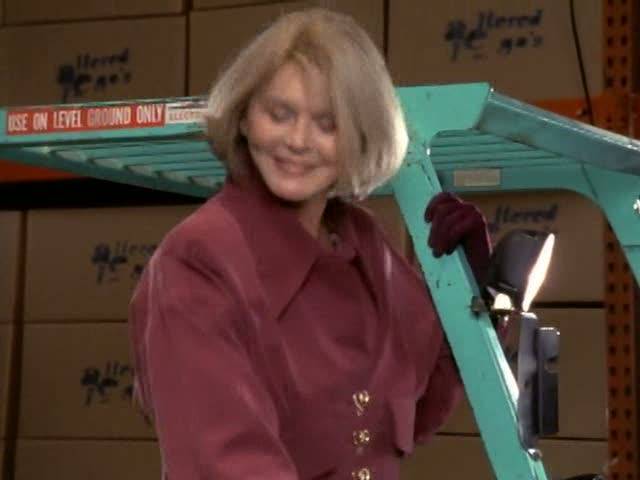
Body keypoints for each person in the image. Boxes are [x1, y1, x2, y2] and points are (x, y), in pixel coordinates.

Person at [128, 7, 491, 480]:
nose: (298, 141)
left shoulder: (363, 243)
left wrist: (470, 295)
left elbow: (414, 410)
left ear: (360, 137)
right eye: (279, 114)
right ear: (243, 117)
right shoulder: (198, 262)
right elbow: (227, 465)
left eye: (328, 123)